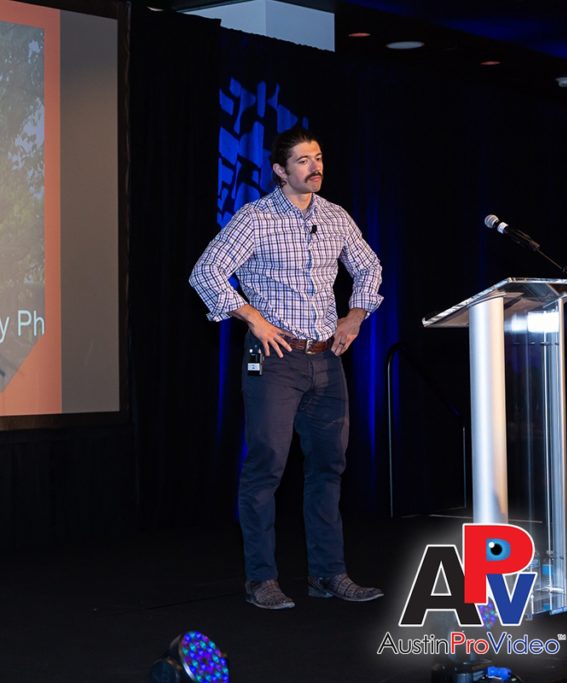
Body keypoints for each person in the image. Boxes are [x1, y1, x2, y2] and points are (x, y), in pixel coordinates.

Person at [189, 126, 384, 610]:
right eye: (303, 160)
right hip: (274, 359)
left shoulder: (335, 216)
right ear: (280, 170)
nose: (315, 167)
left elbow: (370, 267)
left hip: (326, 358)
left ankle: (328, 574)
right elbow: (206, 271)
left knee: (329, 467)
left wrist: (355, 315)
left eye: (318, 158)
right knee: (267, 466)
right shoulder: (255, 218)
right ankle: (261, 579)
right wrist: (253, 319)